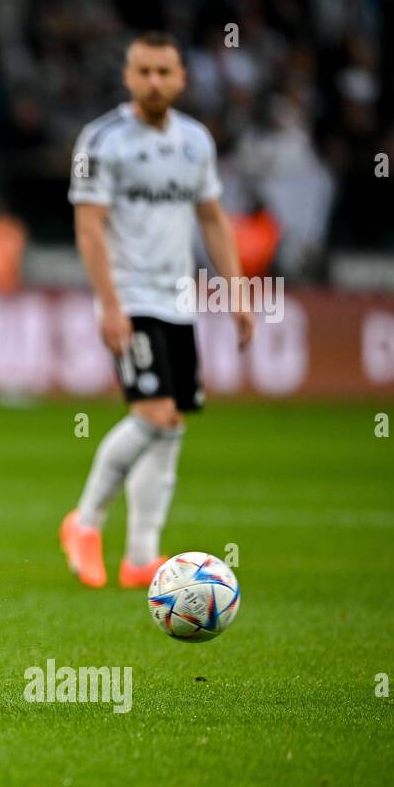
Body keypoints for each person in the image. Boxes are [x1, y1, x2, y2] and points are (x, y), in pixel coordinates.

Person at [60, 31, 254, 590]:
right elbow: (89, 227)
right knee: (152, 412)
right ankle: (85, 521)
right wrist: (109, 304)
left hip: (179, 299)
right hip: (130, 295)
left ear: (182, 77)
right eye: (143, 71)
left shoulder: (196, 141)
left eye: (164, 72)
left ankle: (141, 554)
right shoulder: (101, 140)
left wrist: (236, 289)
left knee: (171, 423)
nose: (154, 82)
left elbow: (213, 218)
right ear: (127, 76)